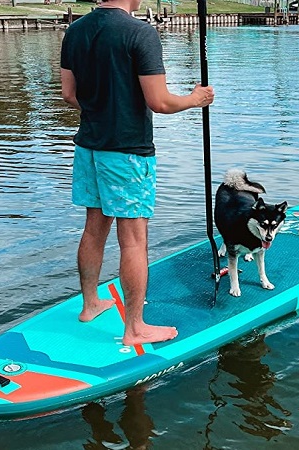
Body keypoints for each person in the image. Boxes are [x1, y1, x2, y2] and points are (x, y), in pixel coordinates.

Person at [60, 0, 215, 345]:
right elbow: (159, 102)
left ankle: (90, 305)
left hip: (89, 147)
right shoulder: (140, 33)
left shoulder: (75, 31)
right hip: (128, 153)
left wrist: (102, 110)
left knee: (94, 227)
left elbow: (68, 94)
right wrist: (195, 98)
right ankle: (135, 328)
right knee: (133, 239)